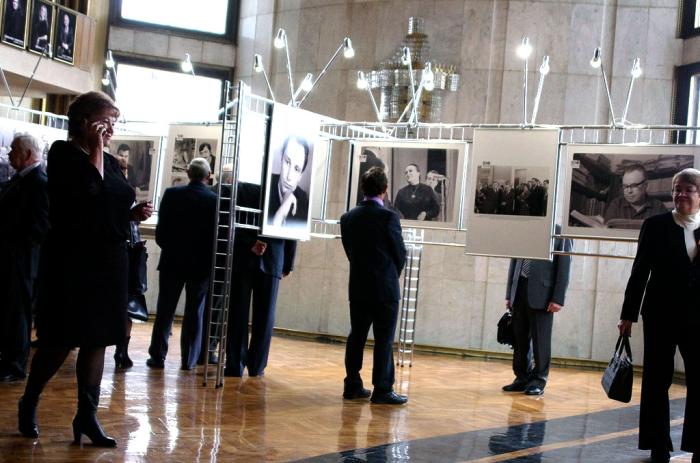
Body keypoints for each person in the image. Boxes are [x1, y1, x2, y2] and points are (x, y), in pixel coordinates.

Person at [18, 91, 152, 446]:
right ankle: (29, 401)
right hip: (73, 261)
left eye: (114, 122)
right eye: (107, 120)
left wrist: (131, 214)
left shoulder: (107, 158)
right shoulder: (63, 154)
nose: (112, 128)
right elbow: (89, 192)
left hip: (110, 261)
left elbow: (107, 204)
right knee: (60, 340)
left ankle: (87, 416)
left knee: (98, 340)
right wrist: (94, 146)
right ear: (86, 121)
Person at [618, 168, 700, 463]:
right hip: (660, 314)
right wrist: (628, 314)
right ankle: (658, 444)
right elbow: (639, 271)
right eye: (677, 189)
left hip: (698, 319)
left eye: (687, 189)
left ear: (699, 195)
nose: (680, 194)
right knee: (656, 380)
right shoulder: (655, 225)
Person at [340, 166, 407, 405]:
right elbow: (400, 254)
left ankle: (352, 385)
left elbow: (349, 251)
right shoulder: (389, 217)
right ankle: (382, 389)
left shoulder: (348, 218)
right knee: (384, 339)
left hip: (358, 286)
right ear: (385, 190)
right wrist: (391, 274)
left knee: (356, 336)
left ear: (362, 188)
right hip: (385, 289)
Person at [147, 158, 217, 371]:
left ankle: (158, 356)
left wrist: (170, 247)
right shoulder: (214, 200)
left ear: (188, 172)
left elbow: (161, 232)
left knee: (165, 310)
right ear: (208, 176)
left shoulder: (171, 194)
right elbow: (215, 236)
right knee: (195, 311)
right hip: (201, 264)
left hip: (172, 261)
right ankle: (189, 359)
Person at [225, 181, 297, 377]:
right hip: (272, 258)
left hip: (245, 258)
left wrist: (249, 243)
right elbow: (292, 230)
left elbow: (232, 224)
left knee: (238, 314)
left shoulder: (242, 190)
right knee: (264, 316)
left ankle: (234, 364)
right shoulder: (286, 193)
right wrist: (288, 262)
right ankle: (256, 366)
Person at [0, 133, 49, 382]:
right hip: (11, 258)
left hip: (21, 259)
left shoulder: (39, 183)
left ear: (28, 154)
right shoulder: (18, 181)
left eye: (13, 150)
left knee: (18, 313)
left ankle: (15, 364)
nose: (8, 154)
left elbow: (41, 226)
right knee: (8, 311)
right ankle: (6, 358)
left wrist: (13, 243)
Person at [503, 225, 572, 396]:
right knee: (519, 339)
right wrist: (509, 294)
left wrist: (558, 298)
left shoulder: (560, 233)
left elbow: (564, 267)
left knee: (540, 340)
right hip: (519, 290)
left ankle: (539, 380)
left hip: (543, 294)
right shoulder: (524, 229)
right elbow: (514, 261)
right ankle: (521, 378)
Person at [268, 135, 310, 227]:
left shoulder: (303, 202)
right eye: (287, 162)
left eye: (296, 169)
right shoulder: (265, 186)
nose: (289, 176)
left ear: (300, 176)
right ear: (281, 159)